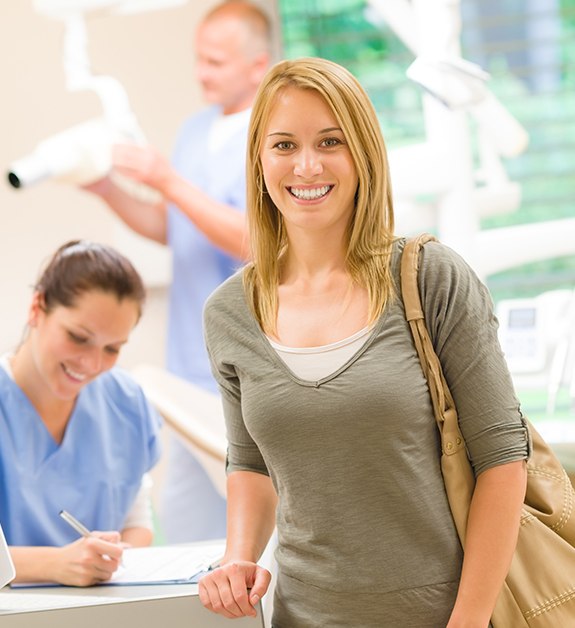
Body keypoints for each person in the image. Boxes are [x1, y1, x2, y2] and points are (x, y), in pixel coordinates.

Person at [198, 57, 531, 627]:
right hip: (303, 616)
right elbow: (251, 462)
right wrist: (237, 556)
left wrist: (469, 622)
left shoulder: (431, 279)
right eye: (283, 145)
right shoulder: (230, 312)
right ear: (259, 160)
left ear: (364, 153)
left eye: (330, 141)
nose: (306, 166)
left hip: (445, 615)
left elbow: (503, 458)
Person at [82, 0, 273, 543]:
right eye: (198, 59)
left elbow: (257, 240)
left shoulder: (272, 135)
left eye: (214, 62)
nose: (200, 73)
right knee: (188, 534)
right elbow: (175, 228)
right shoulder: (194, 130)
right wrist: (107, 189)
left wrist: (167, 181)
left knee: (262, 536)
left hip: (252, 369)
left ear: (257, 66)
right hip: (189, 367)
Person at [0, 240, 162, 587]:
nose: (91, 364)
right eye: (78, 337)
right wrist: (54, 564)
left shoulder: (125, 401)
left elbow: (137, 519)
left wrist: (111, 560)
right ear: (36, 308)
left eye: (112, 348)